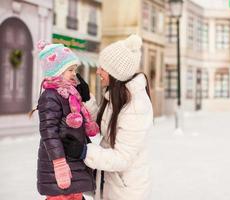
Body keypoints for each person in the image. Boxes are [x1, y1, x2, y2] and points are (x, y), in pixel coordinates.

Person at [63, 34, 154, 200]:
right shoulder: (117, 96)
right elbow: (105, 124)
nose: (98, 71)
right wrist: (87, 99)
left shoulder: (136, 107)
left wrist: (84, 151)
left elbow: (122, 158)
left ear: (115, 73)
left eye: (102, 68)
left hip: (126, 192)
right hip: (110, 183)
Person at [34, 41, 99, 200]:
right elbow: (49, 133)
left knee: (75, 195)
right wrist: (59, 163)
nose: (74, 74)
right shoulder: (50, 96)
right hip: (58, 164)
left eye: (75, 69)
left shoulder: (71, 95)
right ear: (56, 71)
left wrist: (85, 98)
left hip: (73, 159)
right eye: (70, 70)